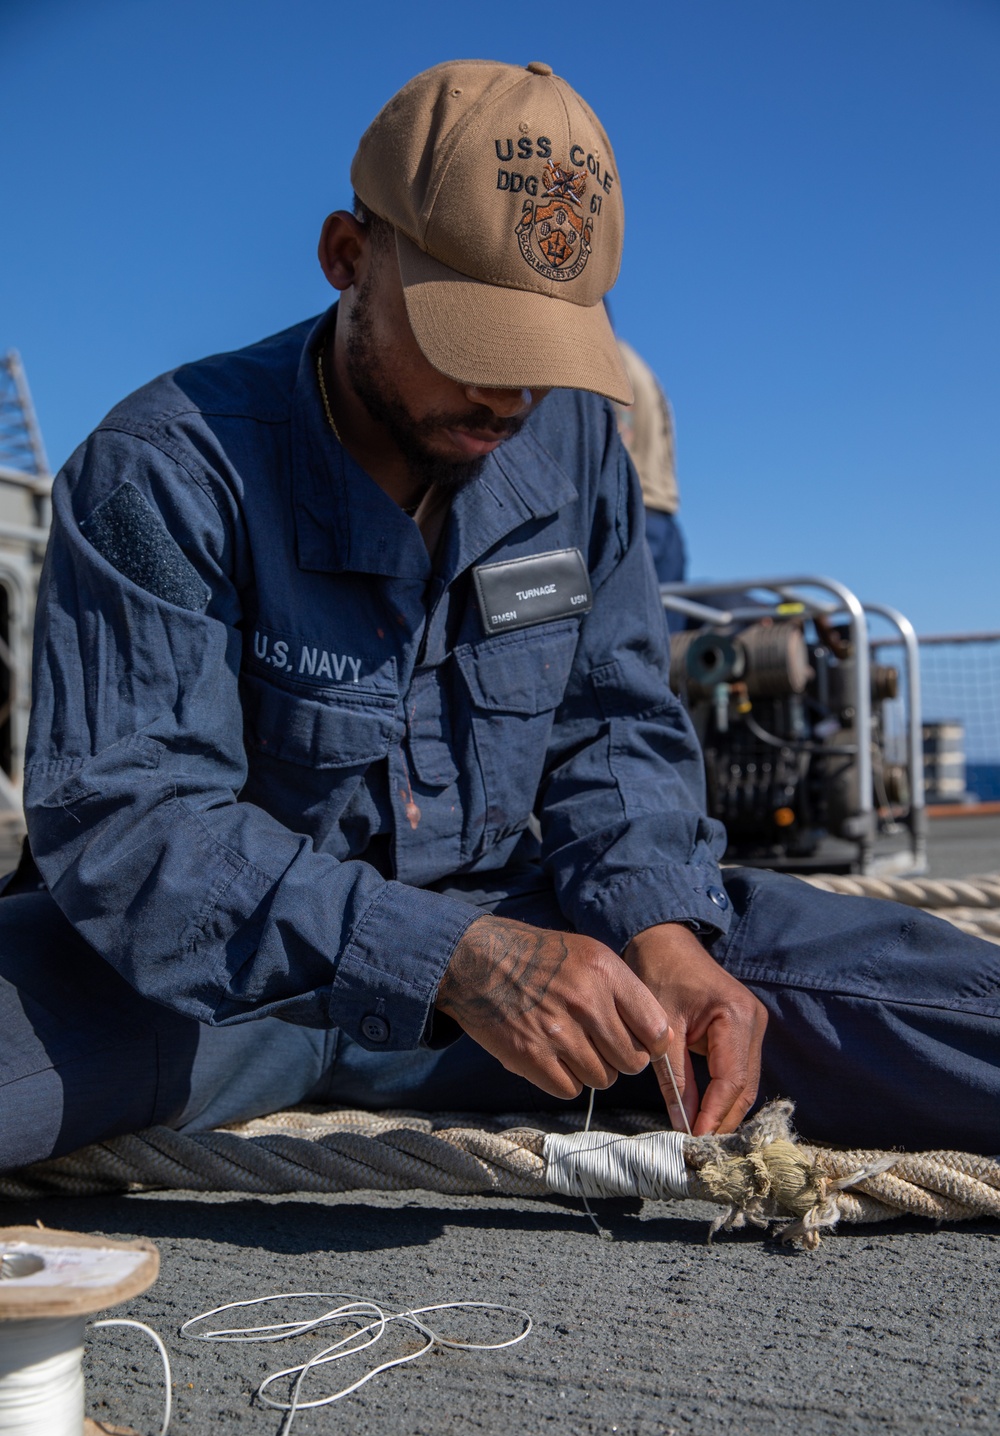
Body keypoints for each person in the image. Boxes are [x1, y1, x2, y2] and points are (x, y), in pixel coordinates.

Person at [2, 60, 998, 1176]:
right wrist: (448, 959)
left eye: (543, 352)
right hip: (205, 990)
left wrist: (659, 931)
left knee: (929, 1013)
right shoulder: (164, 472)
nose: (511, 399)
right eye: (474, 343)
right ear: (347, 259)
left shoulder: (575, 450)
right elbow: (136, 831)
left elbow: (611, 727)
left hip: (538, 949)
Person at [613, 339, 689, 634]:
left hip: (632, 514)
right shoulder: (642, 367)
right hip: (663, 516)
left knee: (626, 641)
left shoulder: (604, 357)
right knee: (666, 650)